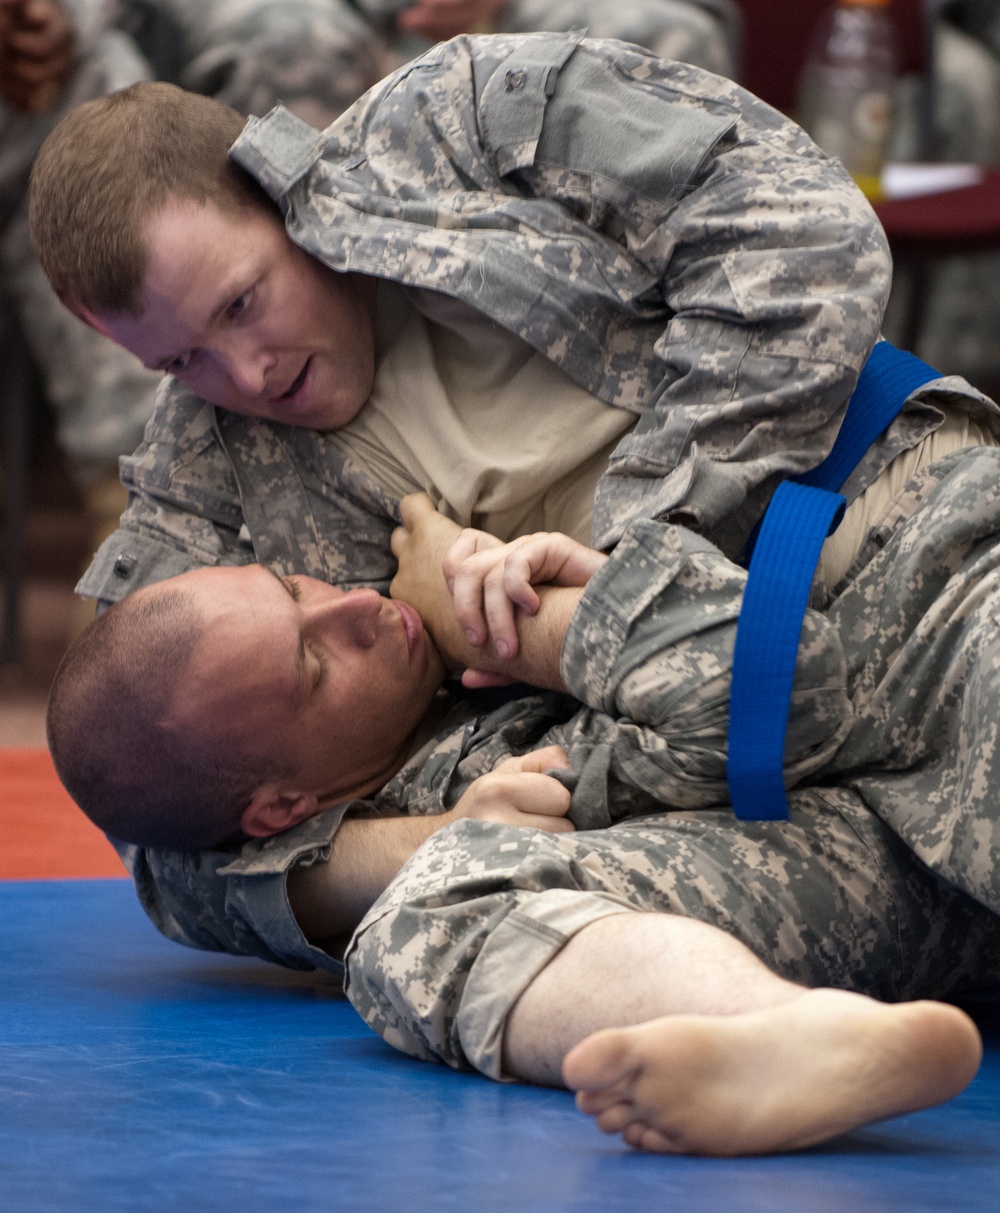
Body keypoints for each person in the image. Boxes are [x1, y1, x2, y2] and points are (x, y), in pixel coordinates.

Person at [47, 472, 1000, 1153]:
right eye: (313, 663)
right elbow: (179, 869)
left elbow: (776, 695)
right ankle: (780, 1034)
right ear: (281, 805)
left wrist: (515, 621)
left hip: (950, 631)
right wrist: (438, 838)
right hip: (895, 830)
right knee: (417, 923)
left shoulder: (464, 603)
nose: (359, 608)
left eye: (301, 587)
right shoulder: (457, 790)